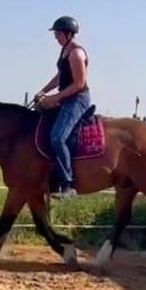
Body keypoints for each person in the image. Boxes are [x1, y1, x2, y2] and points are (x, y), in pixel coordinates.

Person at [34, 15, 91, 199]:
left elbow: (79, 84)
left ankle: (68, 184)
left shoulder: (76, 53)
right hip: (67, 97)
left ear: (68, 34)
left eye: (58, 33)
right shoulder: (65, 50)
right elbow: (60, 77)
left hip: (77, 100)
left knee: (57, 137)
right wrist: (43, 91)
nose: (55, 37)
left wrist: (54, 98)